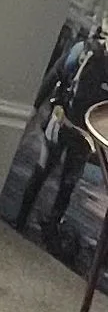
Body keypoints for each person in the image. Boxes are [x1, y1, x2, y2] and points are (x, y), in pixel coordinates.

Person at [17, 22, 108, 256]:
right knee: (53, 176)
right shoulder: (84, 52)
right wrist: (35, 107)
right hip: (71, 126)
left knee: (58, 179)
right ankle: (30, 223)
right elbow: (56, 74)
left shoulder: (84, 51)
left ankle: (36, 225)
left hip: (74, 129)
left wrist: (35, 107)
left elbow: (55, 75)